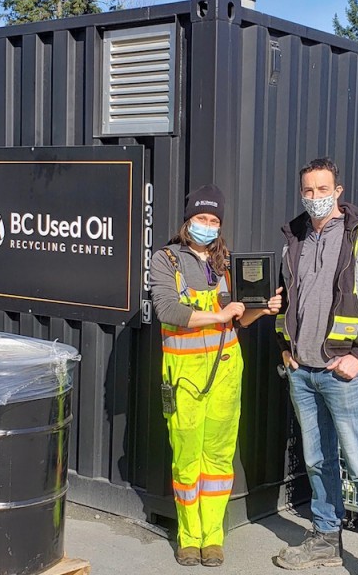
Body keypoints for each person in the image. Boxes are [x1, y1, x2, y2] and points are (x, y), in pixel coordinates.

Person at [274, 158, 358, 575]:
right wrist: (284, 348)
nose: (314, 198)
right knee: (317, 461)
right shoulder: (295, 239)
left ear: (338, 191)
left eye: (322, 189)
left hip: (343, 372)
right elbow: (287, 300)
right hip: (303, 371)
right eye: (307, 191)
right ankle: (326, 536)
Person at [149, 183, 282, 567]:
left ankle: (213, 537)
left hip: (225, 374)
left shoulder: (225, 265)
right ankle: (188, 536)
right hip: (185, 378)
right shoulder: (167, 260)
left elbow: (238, 321)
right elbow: (168, 310)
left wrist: (263, 309)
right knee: (187, 458)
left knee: (219, 460)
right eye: (200, 218)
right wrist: (219, 315)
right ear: (187, 220)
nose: (206, 225)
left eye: (213, 220)